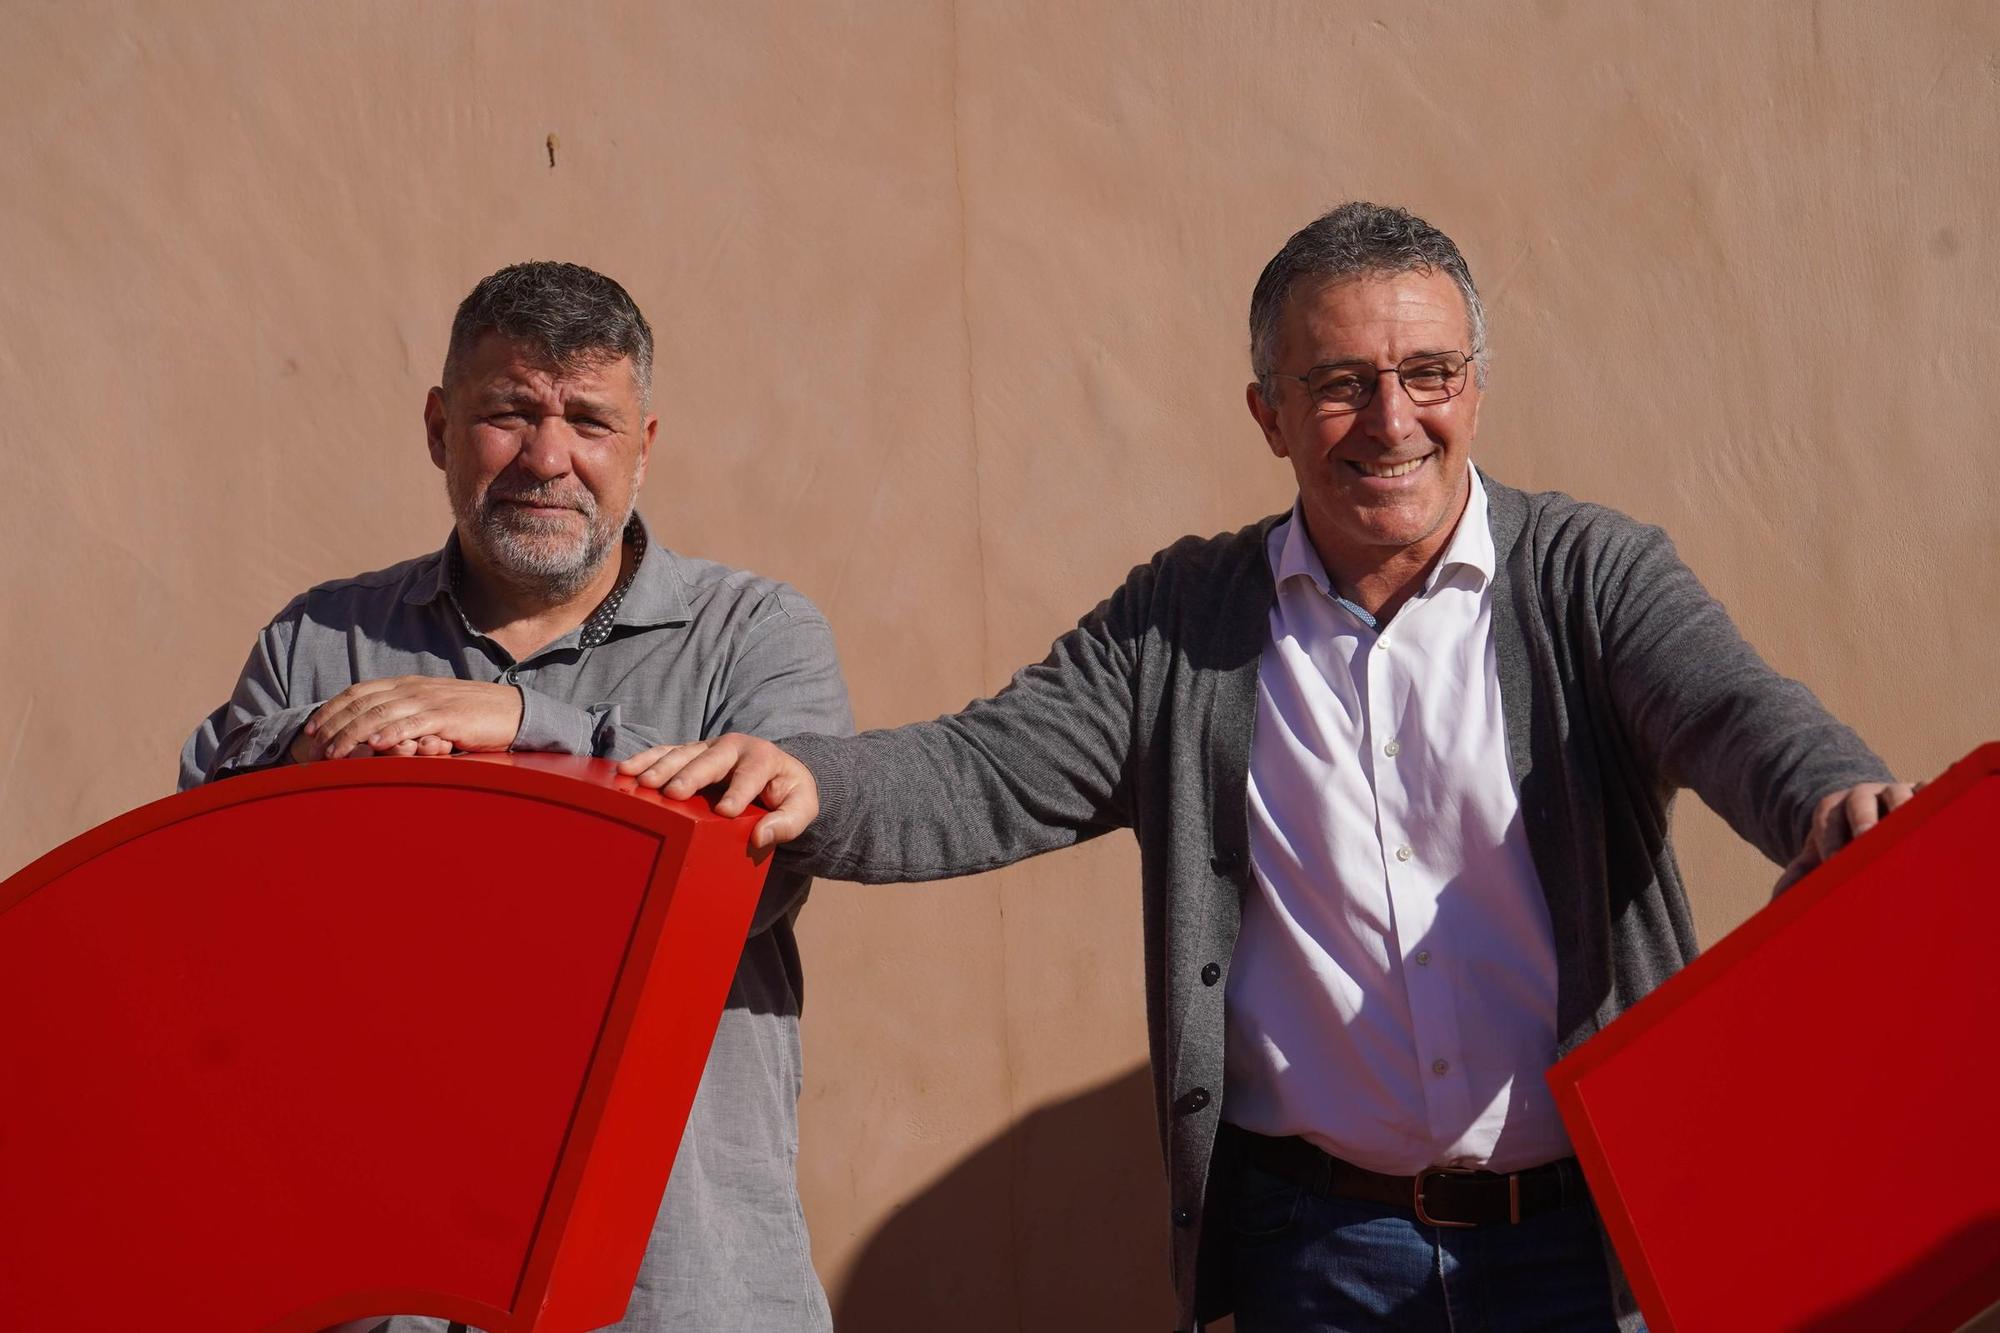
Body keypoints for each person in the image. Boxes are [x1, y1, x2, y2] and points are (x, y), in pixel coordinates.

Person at [617, 203, 1916, 1333]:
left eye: (1428, 371)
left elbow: (1731, 707)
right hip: (1324, 1256)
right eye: (1343, 381)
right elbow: (985, 768)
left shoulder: (1591, 576)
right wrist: (817, 784)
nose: (1391, 420)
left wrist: (1830, 792)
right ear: (1269, 412)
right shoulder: (1187, 619)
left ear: (1475, 386)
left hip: (1593, 1239)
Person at [180, 262, 851, 1333]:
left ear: (644, 445)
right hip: (378, 1284)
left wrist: (523, 728)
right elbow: (212, 867)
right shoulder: (320, 639)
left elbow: (748, 870)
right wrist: (335, 748)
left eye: (588, 420)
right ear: (442, 426)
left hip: (672, 1285)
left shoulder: (757, 636)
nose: (548, 458)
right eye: (509, 414)